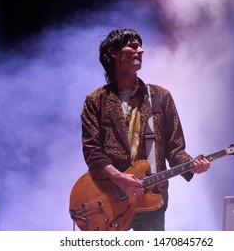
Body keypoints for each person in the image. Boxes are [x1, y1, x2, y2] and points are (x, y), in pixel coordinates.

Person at [80, 28, 210, 231]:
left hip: (152, 197)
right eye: (133, 45)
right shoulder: (96, 100)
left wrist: (191, 164)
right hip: (109, 199)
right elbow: (92, 151)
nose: (140, 51)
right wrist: (119, 177)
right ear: (113, 52)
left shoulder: (160, 96)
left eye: (141, 46)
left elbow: (174, 147)